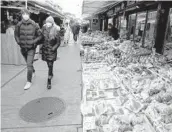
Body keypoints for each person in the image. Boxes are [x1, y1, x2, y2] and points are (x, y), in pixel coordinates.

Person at [14, 9, 42, 90]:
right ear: (22, 15)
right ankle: (33, 71)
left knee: (29, 64)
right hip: (23, 48)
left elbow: (40, 35)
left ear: (29, 15)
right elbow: (16, 35)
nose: (25, 15)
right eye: (24, 14)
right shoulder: (19, 25)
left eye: (27, 14)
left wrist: (34, 42)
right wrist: (19, 42)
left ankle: (28, 81)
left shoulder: (34, 24)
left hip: (31, 48)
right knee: (28, 62)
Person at [41, 16, 61, 89]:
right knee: (48, 64)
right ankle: (51, 73)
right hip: (45, 50)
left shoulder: (56, 30)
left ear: (52, 23)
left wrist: (53, 48)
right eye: (47, 22)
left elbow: (58, 42)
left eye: (50, 22)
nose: (48, 24)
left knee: (50, 64)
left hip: (52, 51)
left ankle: (49, 80)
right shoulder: (43, 29)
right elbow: (41, 37)